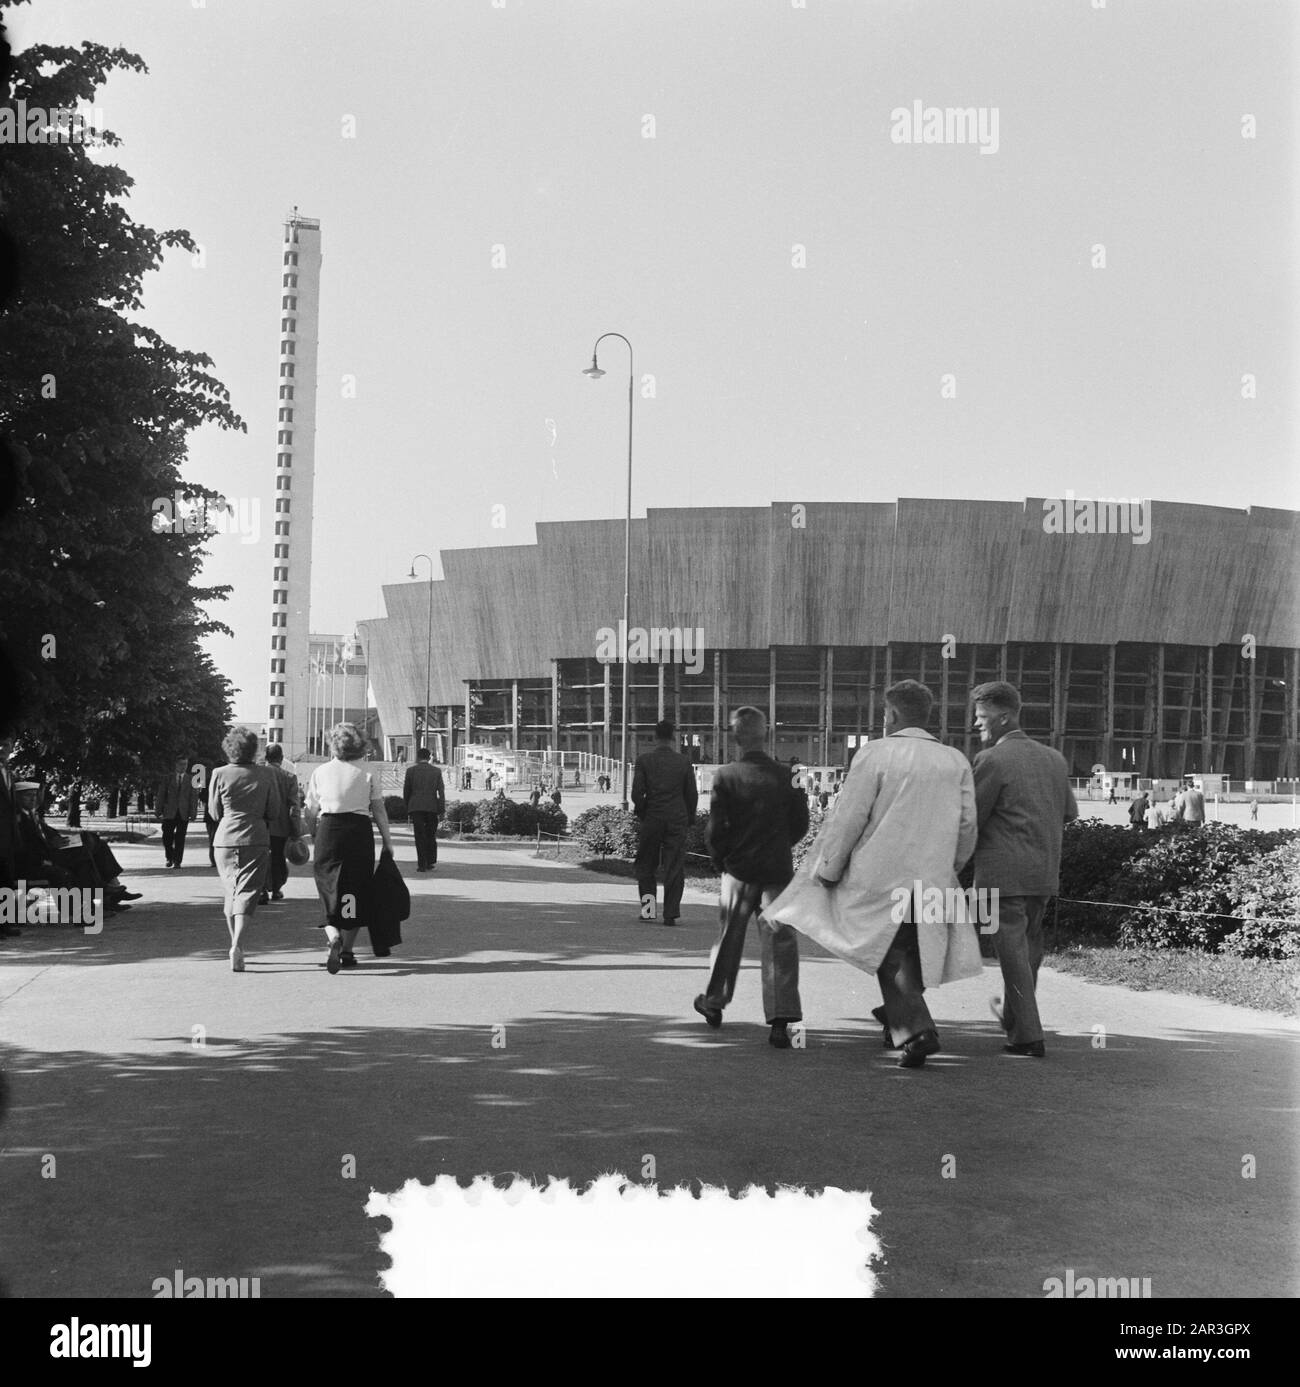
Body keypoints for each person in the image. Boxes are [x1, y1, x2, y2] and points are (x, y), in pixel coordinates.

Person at [774, 681, 978, 1069]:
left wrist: (830, 867)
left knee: (889, 951)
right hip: (936, 873)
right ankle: (895, 1020)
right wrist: (954, 865)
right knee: (915, 950)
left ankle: (918, 1031)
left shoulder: (876, 754)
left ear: (891, 715)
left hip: (882, 875)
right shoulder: (956, 760)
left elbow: (849, 817)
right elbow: (968, 825)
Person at [971, 682, 1078, 1058]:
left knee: (1012, 954)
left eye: (982, 718)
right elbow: (1068, 813)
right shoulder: (1054, 759)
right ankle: (1016, 1023)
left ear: (1003, 717)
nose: (976, 725)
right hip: (1043, 872)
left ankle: (1029, 1034)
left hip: (1000, 877)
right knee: (1028, 951)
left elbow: (973, 820)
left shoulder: (990, 761)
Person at [694, 707, 808, 1047]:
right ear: (766, 734)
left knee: (729, 937)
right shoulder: (789, 774)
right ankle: (780, 1019)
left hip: (739, 870)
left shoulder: (726, 776)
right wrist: (779, 845)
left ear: (735, 737)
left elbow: (715, 829)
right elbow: (801, 824)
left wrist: (721, 860)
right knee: (780, 941)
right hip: (777, 869)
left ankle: (714, 1003)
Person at [303, 722, 395, 974]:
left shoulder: (320, 772)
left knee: (328, 886)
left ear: (333, 744)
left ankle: (333, 935)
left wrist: (313, 834)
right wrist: (388, 842)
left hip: (329, 831)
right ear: (361, 744)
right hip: (358, 833)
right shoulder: (368, 771)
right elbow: (378, 809)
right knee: (354, 889)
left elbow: (310, 811)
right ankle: (347, 950)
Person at [209, 729, 282, 972]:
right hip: (255, 837)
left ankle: (234, 943)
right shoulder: (266, 774)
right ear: (254, 749)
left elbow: (214, 812)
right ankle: (238, 944)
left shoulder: (218, 774)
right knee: (249, 892)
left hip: (225, 839)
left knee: (231, 891)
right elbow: (273, 811)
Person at [12, 782, 141, 914]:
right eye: (27, 796)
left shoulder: (31, 814)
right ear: (16, 797)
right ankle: (101, 897)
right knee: (81, 857)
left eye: (34, 795)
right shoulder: (17, 819)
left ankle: (105, 897)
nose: (33, 799)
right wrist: (51, 847)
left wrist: (61, 841)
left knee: (90, 846)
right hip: (35, 861)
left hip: (47, 854)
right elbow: (24, 846)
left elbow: (49, 834)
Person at [631, 719, 698, 925]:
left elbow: (636, 794)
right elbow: (692, 794)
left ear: (655, 736)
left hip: (653, 817)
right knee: (674, 866)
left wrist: (643, 812)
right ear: (672, 737)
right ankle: (670, 913)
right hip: (677, 819)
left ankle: (649, 910)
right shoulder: (683, 762)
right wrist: (689, 817)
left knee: (646, 866)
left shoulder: (644, 760)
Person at [261, 744, 303, 901]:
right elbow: (294, 806)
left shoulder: (258, 774)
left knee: (261, 857)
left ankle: (262, 888)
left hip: (261, 825)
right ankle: (277, 889)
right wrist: (296, 830)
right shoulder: (289, 777)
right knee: (278, 857)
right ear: (281, 758)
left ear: (266, 757)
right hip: (281, 826)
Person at [403, 746, 446, 871]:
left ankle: (421, 864)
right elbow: (441, 792)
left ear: (417, 757)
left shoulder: (410, 771)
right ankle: (430, 861)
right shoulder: (436, 771)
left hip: (416, 807)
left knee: (419, 835)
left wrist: (407, 806)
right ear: (429, 757)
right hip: (432, 806)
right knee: (430, 834)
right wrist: (441, 809)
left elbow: (407, 790)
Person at [154, 755, 197, 868]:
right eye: (181, 764)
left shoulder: (191, 779)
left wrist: (193, 813)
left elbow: (193, 798)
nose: (184, 767)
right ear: (176, 765)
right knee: (167, 837)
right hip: (169, 812)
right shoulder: (167, 778)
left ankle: (177, 861)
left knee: (180, 838)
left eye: (186, 764)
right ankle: (169, 857)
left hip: (183, 813)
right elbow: (161, 795)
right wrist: (158, 810)